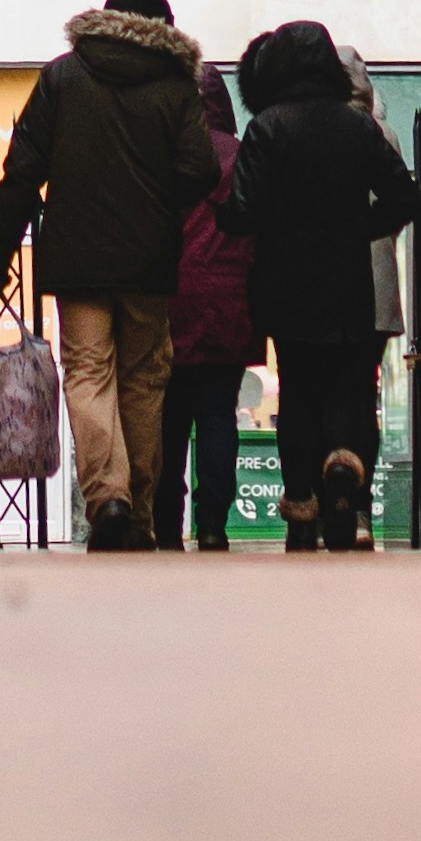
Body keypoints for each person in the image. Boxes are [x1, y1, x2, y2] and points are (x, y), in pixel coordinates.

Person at [0, 0, 216, 549]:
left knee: (88, 374)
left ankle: (107, 498)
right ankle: (137, 516)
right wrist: (157, 203)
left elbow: (22, 168)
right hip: (148, 261)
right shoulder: (175, 86)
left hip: (78, 258)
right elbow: (201, 169)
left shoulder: (63, 76)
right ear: (163, 28)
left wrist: (0, 249)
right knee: (144, 380)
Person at [232, 18, 415, 551]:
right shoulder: (358, 127)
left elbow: (243, 209)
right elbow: (404, 198)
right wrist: (362, 228)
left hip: (285, 286)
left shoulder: (267, 125)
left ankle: (301, 505)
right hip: (347, 280)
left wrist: (256, 225)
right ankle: (343, 466)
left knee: (299, 390)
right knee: (347, 385)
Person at [155, 74, 255, 551]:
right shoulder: (240, 154)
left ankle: (166, 524)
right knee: (219, 415)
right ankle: (213, 523)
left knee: (168, 421)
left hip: (173, 300)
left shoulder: (165, 153)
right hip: (232, 300)